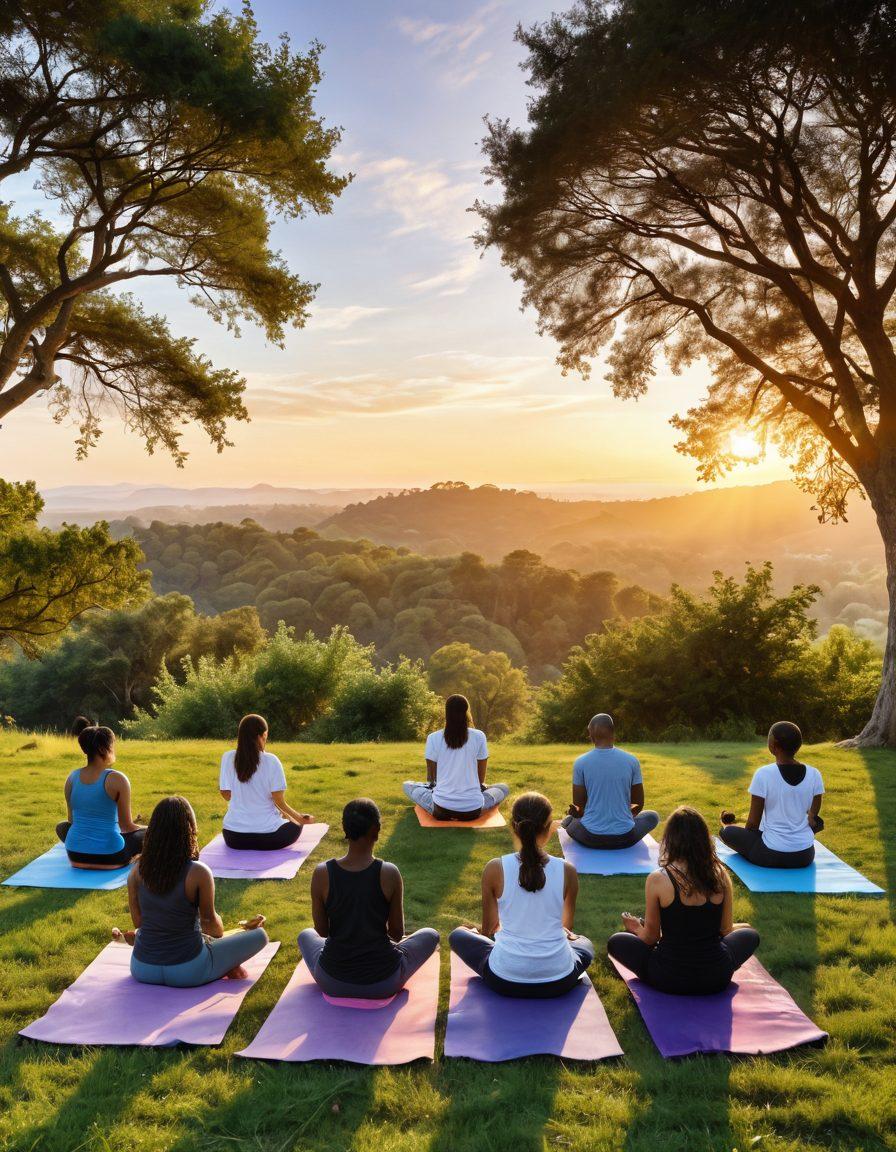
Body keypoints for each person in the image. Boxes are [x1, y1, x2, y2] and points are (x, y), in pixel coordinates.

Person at [449, 791, 595, 998]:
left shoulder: (495, 868)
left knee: (458, 935)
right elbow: (566, 927)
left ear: (514, 827)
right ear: (548, 828)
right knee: (584, 943)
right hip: (558, 979)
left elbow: (489, 928)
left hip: (504, 979)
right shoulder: (567, 870)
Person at [117, 796, 269, 986]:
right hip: (188, 971)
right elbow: (212, 927)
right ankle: (226, 964)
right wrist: (237, 932)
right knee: (260, 936)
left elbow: (139, 922)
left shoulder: (137, 871)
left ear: (153, 831)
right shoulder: (198, 872)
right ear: (190, 829)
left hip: (142, 968)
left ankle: (225, 963)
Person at [607, 806, 760, 995]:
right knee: (750, 935)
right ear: (704, 840)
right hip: (716, 976)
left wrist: (636, 927)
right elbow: (725, 930)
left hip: (667, 977)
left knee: (617, 941)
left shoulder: (658, 879)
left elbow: (651, 938)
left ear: (670, 839)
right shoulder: (721, 875)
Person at [298, 799, 440, 999]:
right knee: (431, 934)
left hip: (332, 980)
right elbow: (397, 934)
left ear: (345, 828)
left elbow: (321, 932)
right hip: (383, 982)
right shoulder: (389, 873)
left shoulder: (322, 873)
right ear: (377, 830)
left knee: (305, 934)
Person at [719, 721, 825, 868]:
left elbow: (752, 825)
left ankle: (731, 827)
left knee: (726, 831)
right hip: (805, 855)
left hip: (770, 855)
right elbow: (813, 819)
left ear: (773, 744)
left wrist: (740, 831)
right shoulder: (814, 774)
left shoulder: (764, 774)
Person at [402, 694, 509, 821]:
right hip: (472, 810)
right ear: (466, 712)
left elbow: (431, 778)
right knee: (503, 787)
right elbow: (480, 780)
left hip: (441, 809)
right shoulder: (479, 736)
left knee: (407, 785)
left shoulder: (433, 738)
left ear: (446, 712)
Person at [561, 713, 659, 848]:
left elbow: (579, 807)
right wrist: (622, 817)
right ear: (613, 733)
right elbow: (638, 803)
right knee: (652, 816)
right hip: (625, 838)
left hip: (591, 838)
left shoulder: (581, 762)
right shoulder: (631, 760)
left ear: (591, 734)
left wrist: (580, 814)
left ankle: (570, 821)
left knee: (570, 820)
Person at [219, 714, 314, 850]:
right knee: (296, 825)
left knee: (285, 818)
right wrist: (300, 819)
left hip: (233, 837)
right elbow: (279, 802)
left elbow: (226, 794)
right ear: (262, 735)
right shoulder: (271, 760)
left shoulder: (228, 757)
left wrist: (245, 801)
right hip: (269, 837)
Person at [56, 726, 145, 869]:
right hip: (112, 857)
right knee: (149, 833)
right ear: (103, 749)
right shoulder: (117, 779)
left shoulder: (71, 778)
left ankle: (85, 844)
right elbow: (127, 827)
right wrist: (147, 827)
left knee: (63, 826)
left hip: (75, 855)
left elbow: (72, 821)